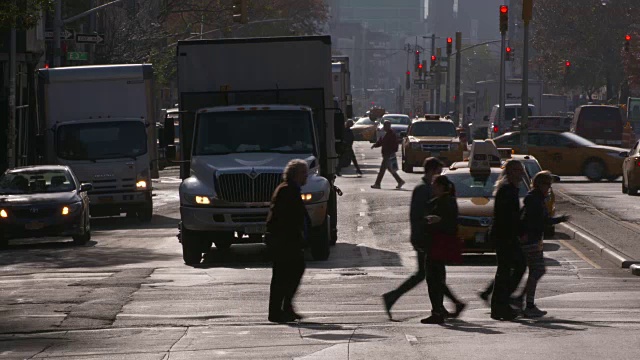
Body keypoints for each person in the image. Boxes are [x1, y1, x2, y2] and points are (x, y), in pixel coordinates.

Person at [382, 157, 444, 320]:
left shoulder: (426, 188)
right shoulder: (423, 189)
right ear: (431, 171)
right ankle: (392, 297)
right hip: (423, 237)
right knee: (431, 272)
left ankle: (441, 305)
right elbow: (418, 216)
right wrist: (420, 236)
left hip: (425, 236)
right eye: (438, 171)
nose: (440, 175)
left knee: (428, 273)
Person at [517, 171, 569, 317]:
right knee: (538, 270)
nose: (549, 188)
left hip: (534, 239)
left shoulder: (537, 198)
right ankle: (526, 303)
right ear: (539, 184)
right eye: (547, 184)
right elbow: (538, 221)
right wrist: (558, 220)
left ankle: (524, 301)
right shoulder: (534, 199)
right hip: (530, 240)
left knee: (535, 271)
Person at [266, 159, 310, 323]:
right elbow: (286, 218)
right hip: (284, 240)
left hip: (287, 239)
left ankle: (285, 308)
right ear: (296, 174)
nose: (306, 176)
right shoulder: (287, 190)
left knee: (290, 272)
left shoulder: (291, 189)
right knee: (284, 275)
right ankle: (278, 311)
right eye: (304, 173)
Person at [422, 175, 466, 324]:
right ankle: (442, 308)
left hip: (438, 244)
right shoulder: (441, 200)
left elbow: (450, 224)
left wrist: (437, 221)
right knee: (436, 279)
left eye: (435, 185)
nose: (432, 188)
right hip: (435, 244)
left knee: (434, 279)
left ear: (441, 186)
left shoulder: (446, 201)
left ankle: (438, 311)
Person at [489, 159, 527, 321]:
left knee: (507, 270)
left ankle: (501, 303)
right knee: (513, 268)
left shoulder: (511, 189)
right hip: (505, 237)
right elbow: (507, 217)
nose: (521, 173)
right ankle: (501, 304)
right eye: (518, 170)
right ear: (510, 172)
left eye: (521, 170)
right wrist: (519, 229)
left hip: (507, 236)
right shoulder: (507, 190)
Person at [371, 120, 405, 189]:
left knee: (382, 170)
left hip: (388, 154)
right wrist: (375, 145)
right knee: (391, 169)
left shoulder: (392, 134)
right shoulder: (384, 133)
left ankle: (377, 184)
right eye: (384, 125)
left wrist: (392, 152)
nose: (384, 127)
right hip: (386, 154)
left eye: (386, 126)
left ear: (388, 126)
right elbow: (381, 142)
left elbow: (395, 144)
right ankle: (400, 181)